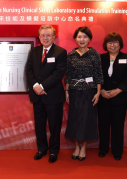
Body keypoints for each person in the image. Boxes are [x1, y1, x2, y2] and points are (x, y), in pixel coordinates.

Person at [26, 25, 67, 163]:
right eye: (42, 35)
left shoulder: (60, 52)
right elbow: (29, 70)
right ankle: (42, 149)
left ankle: (54, 151)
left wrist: (42, 86)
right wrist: (35, 86)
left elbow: (58, 74)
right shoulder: (34, 51)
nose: (45, 38)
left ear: (54, 37)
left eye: (48, 35)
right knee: (39, 124)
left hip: (53, 95)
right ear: (39, 37)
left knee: (55, 125)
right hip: (37, 95)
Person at [64, 26, 103, 161]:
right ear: (75, 39)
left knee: (87, 120)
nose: (82, 39)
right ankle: (76, 146)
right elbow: (68, 75)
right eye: (79, 37)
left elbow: (98, 75)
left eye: (85, 37)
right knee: (74, 120)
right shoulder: (71, 54)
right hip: (74, 92)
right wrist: (67, 90)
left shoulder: (95, 54)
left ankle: (84, 147)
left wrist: (98, 92)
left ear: (89, 39)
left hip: (89, 91)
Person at [98, 32, 127, 160]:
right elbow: (97, 75)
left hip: (120, 97)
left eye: (115, 42)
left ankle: (117, 150)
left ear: (120, 44)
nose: (112, 45)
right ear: (105, 44)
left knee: (118, 125)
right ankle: (103, 149)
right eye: (109, 42)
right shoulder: (100, 58)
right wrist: (101, 90)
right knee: (103, 124)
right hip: (103, 97)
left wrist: (118, 90)